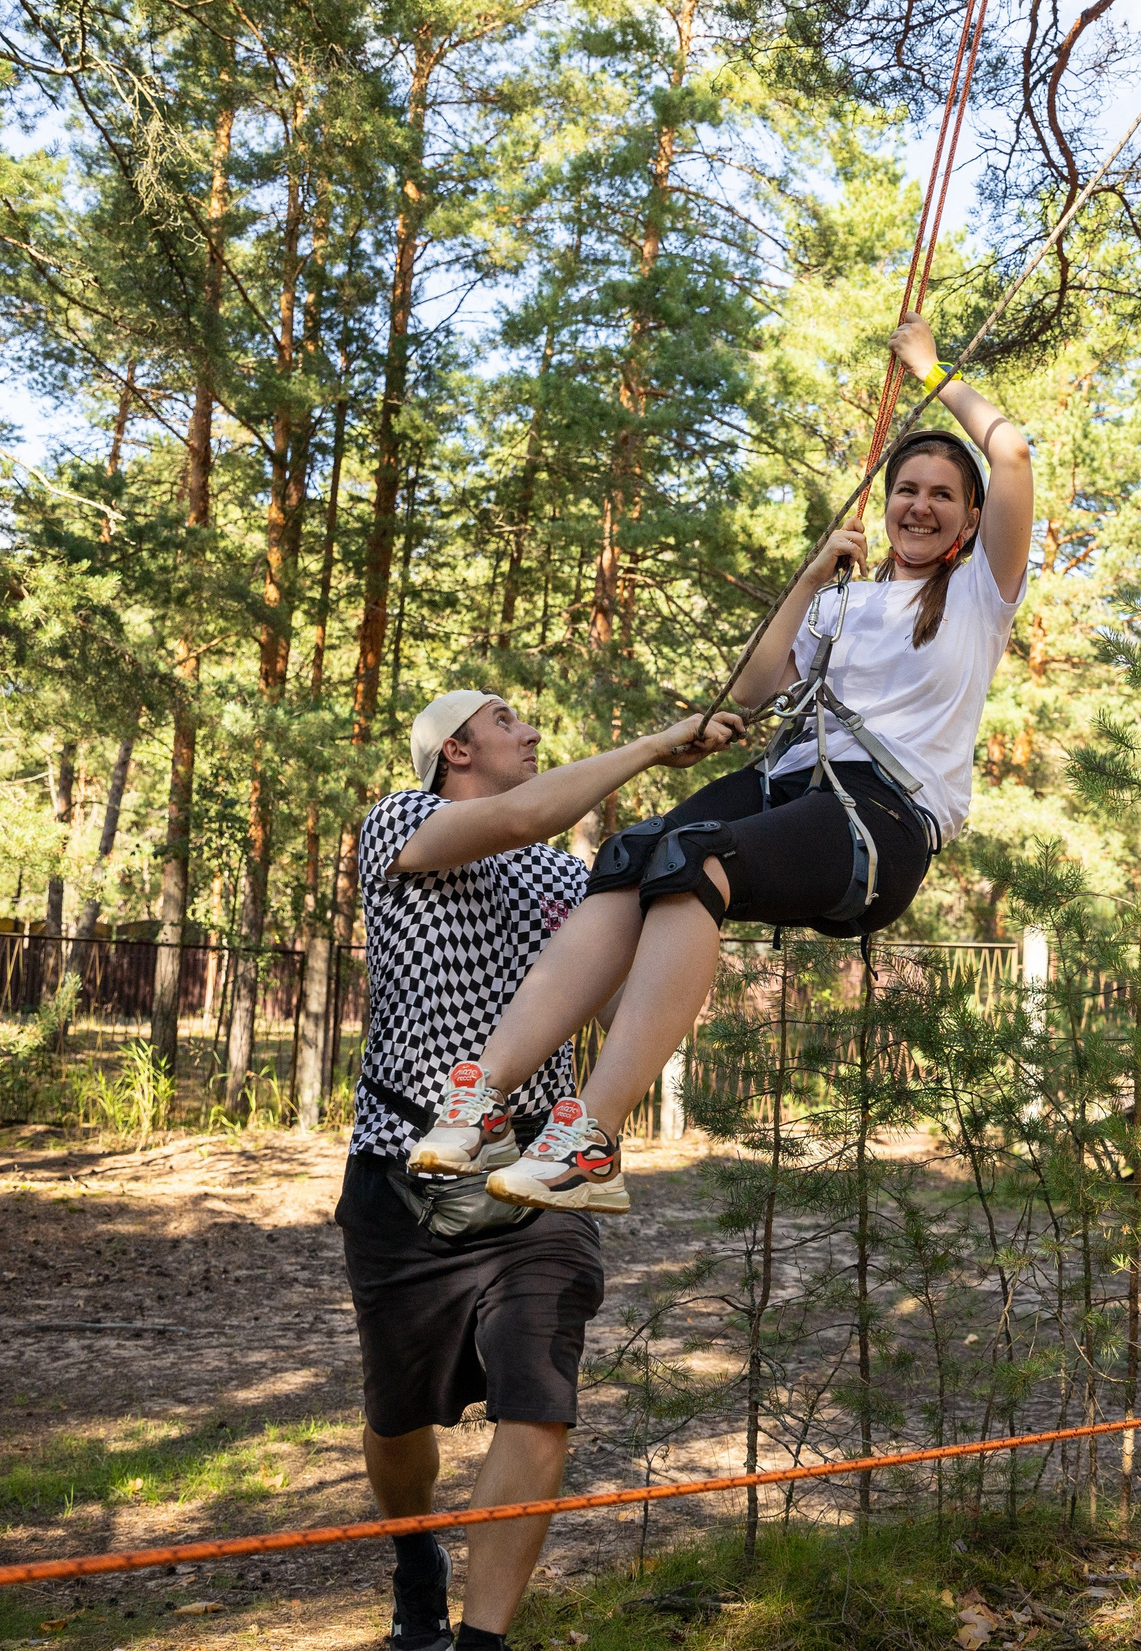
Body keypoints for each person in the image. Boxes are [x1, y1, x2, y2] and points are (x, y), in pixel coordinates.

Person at [410, 311, 1033, 1215]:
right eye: (907, 489)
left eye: (943, 493)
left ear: (971, 521)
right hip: (791, 785)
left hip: (879, 817)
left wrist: (933, 373)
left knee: (698, 862)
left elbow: (1009, 456)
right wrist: (812, 578)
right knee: (634, 856)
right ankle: (481, 1097)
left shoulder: (981, 595)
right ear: (886, 501)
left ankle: (591, 1137)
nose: (921, 506)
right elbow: (748, 692)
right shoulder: (843, 603)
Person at [337, 690, 741, 1651]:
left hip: (538, 1172)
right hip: (404, 1171)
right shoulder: (400, 821)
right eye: (510, 719)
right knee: (398, 1427)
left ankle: (480, 1642)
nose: (531, 732)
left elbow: (649, 911)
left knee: (538, 1395)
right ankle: (414, 1551)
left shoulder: (568, 880)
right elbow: (521, 812)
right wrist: (653, 740)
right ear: (457, 748)